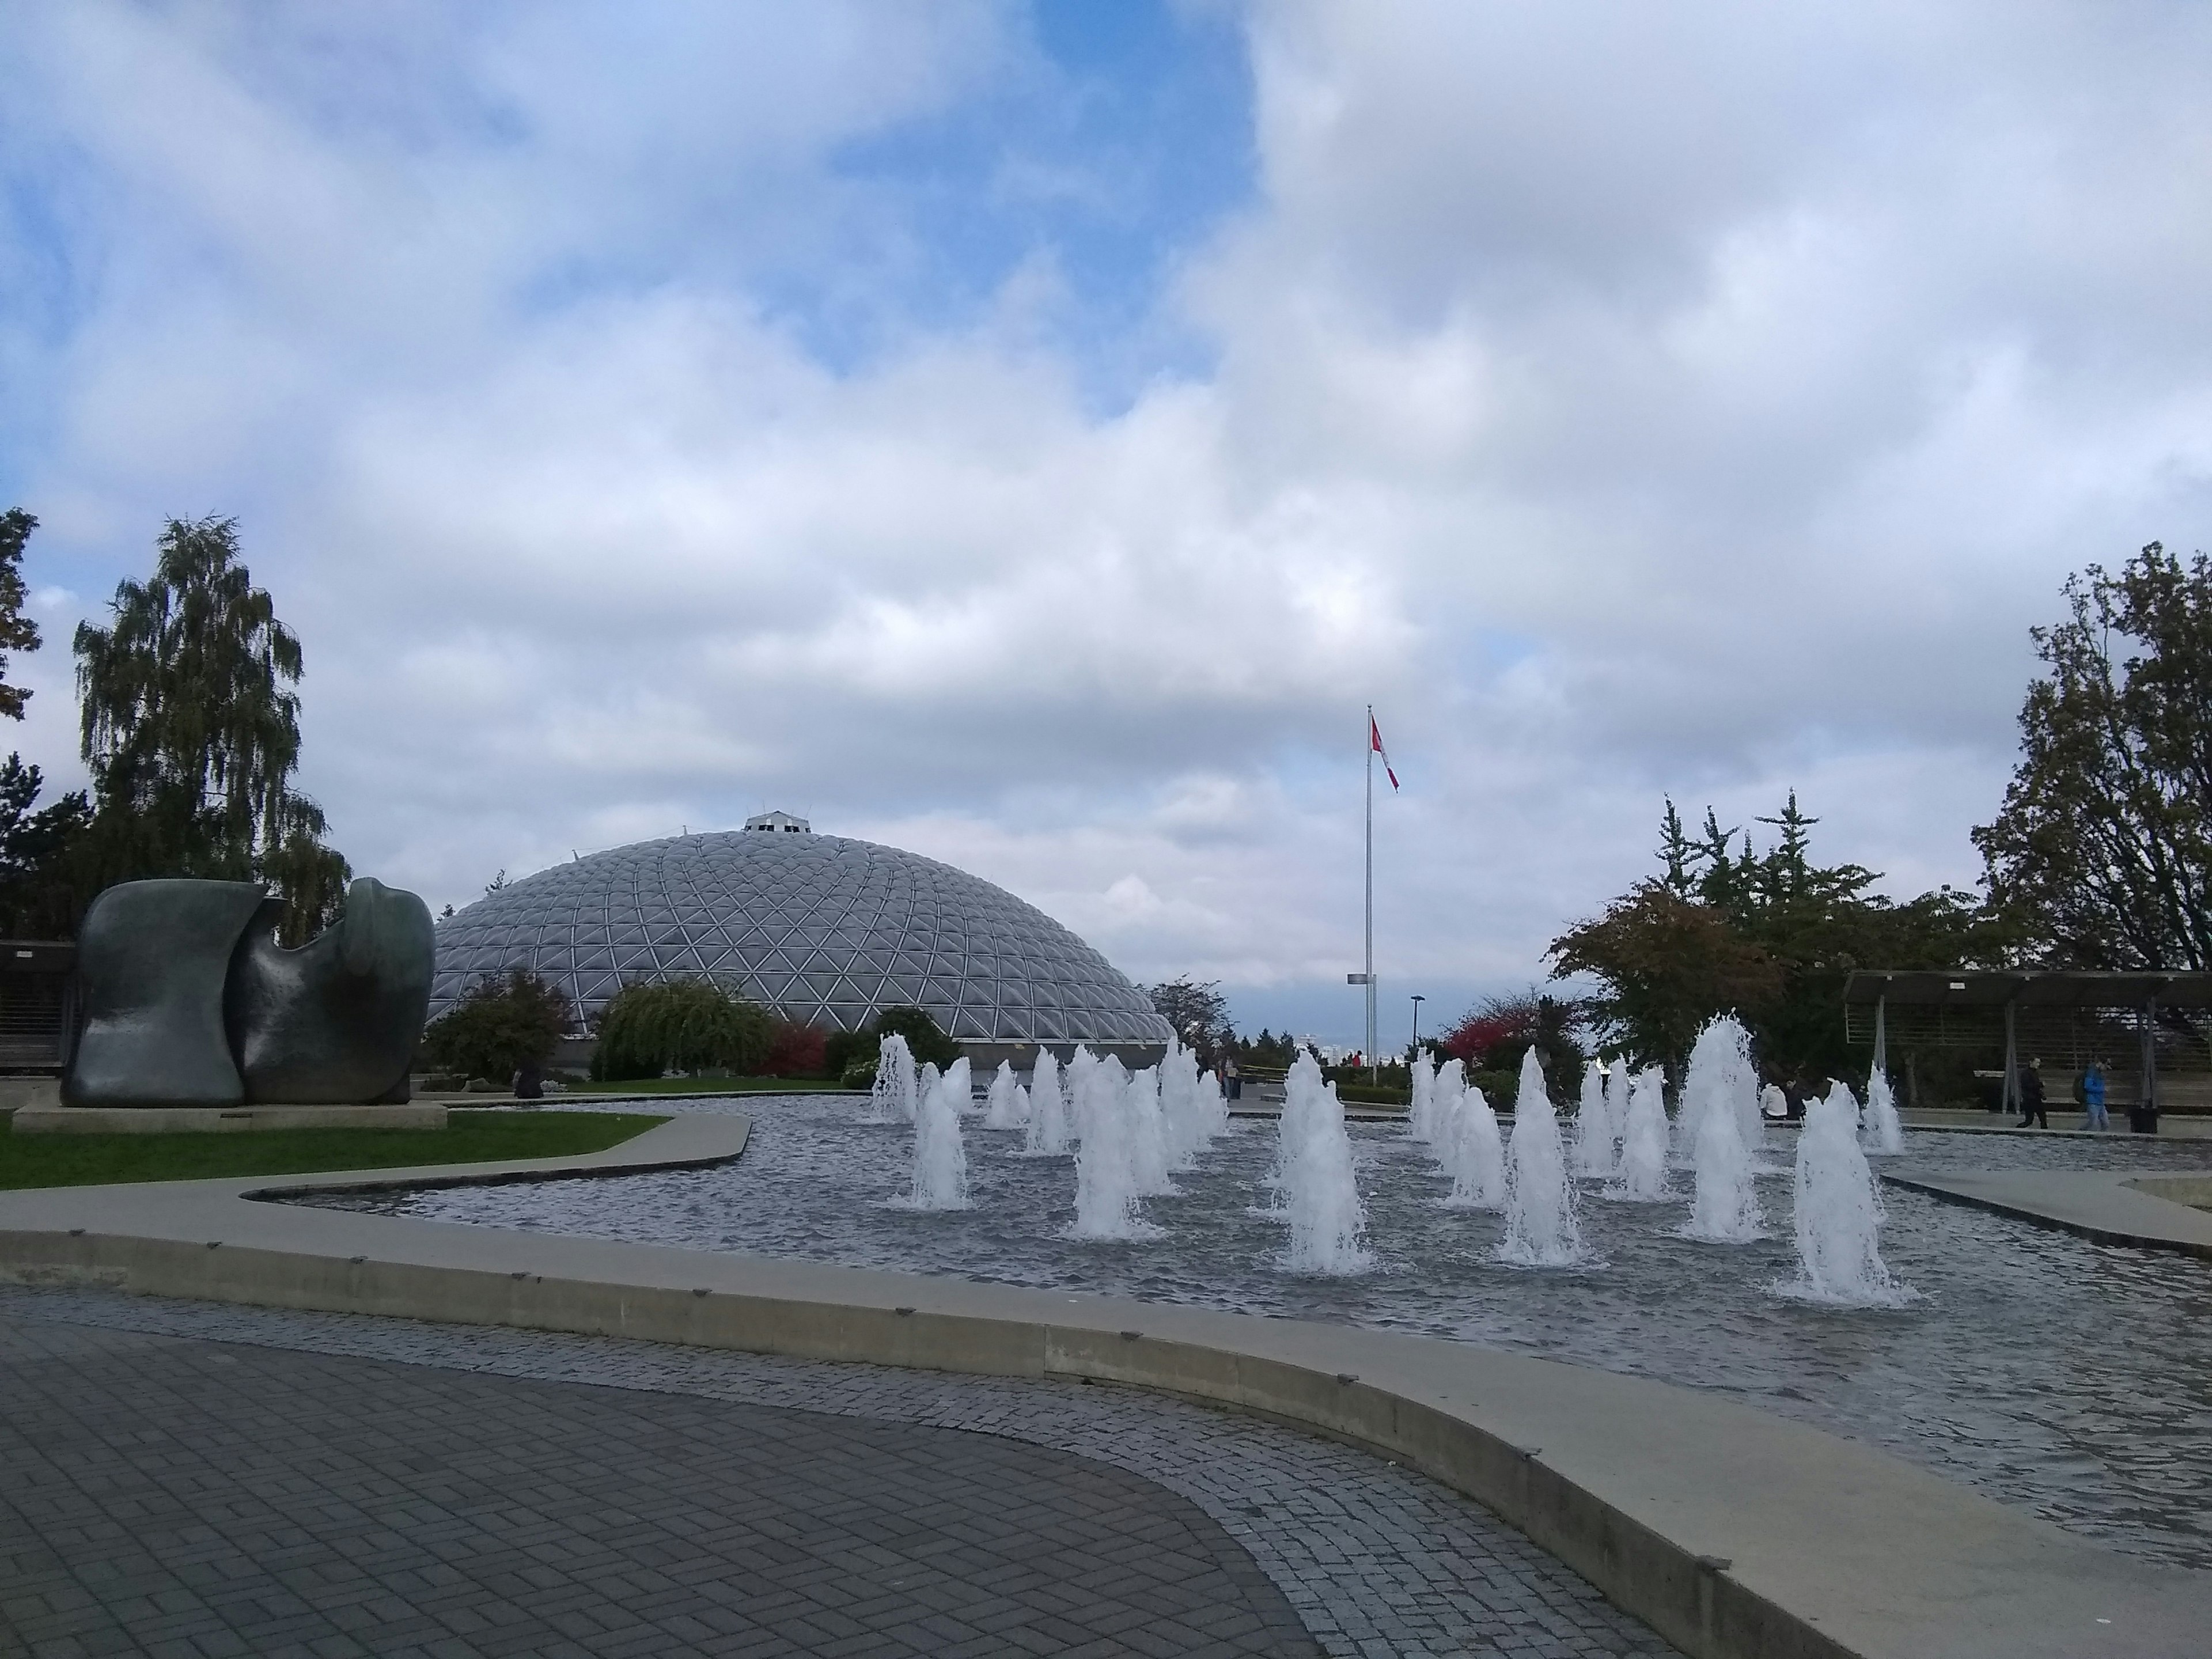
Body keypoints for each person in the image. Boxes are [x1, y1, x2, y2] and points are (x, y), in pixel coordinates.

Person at [2017, 1059, 2048, 1130]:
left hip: (2036, 1098)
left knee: (2043, 1118)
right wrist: (2040, 1085)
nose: (2038, 1064)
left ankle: (2044, 1130)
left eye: (2039, 1063)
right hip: (2029, 1099)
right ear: (2031, 1062)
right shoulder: (2025, 1073)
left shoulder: (2035, 1073)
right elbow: (2027, 1086)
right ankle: (2018, 1129)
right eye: (2037, 1063)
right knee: (2029, 1121)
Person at [2082, 1059, 2108, 1131]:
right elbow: (2088, 1086)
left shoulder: (2100, 1073)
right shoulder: (2091, 1073)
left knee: (2105, 1123)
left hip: (2100, 1102)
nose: (2106, 1068)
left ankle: (2102, 1138)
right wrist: (2102, 1089)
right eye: (2105, 1065)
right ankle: (2080, 1132)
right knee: (2093, 1123)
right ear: (2100, 1063)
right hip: (2093, 1101)